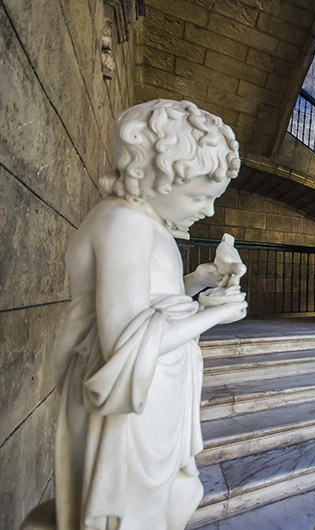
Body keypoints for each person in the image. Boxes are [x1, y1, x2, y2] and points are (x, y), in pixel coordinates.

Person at [52, 99, 247, 530]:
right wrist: (211, 317)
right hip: (128, 402)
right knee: (141, 515)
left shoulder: (146, 223)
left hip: (155, 393)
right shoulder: (125, 224)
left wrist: (198, 283)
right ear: (159, 178)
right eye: (200, 196)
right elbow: (122, 344)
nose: (209, 210)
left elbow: (147, 308)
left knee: (172, 502)